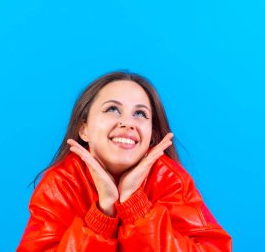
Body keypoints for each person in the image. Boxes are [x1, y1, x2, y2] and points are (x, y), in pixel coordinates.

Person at [16, 71, 232, 251]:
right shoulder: (61, 184)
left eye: (140, 113)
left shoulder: (170, 179)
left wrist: (136, 207)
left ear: (152, 135)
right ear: (84, 129)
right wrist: (102, 215)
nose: (128, 123)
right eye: (112, 109)